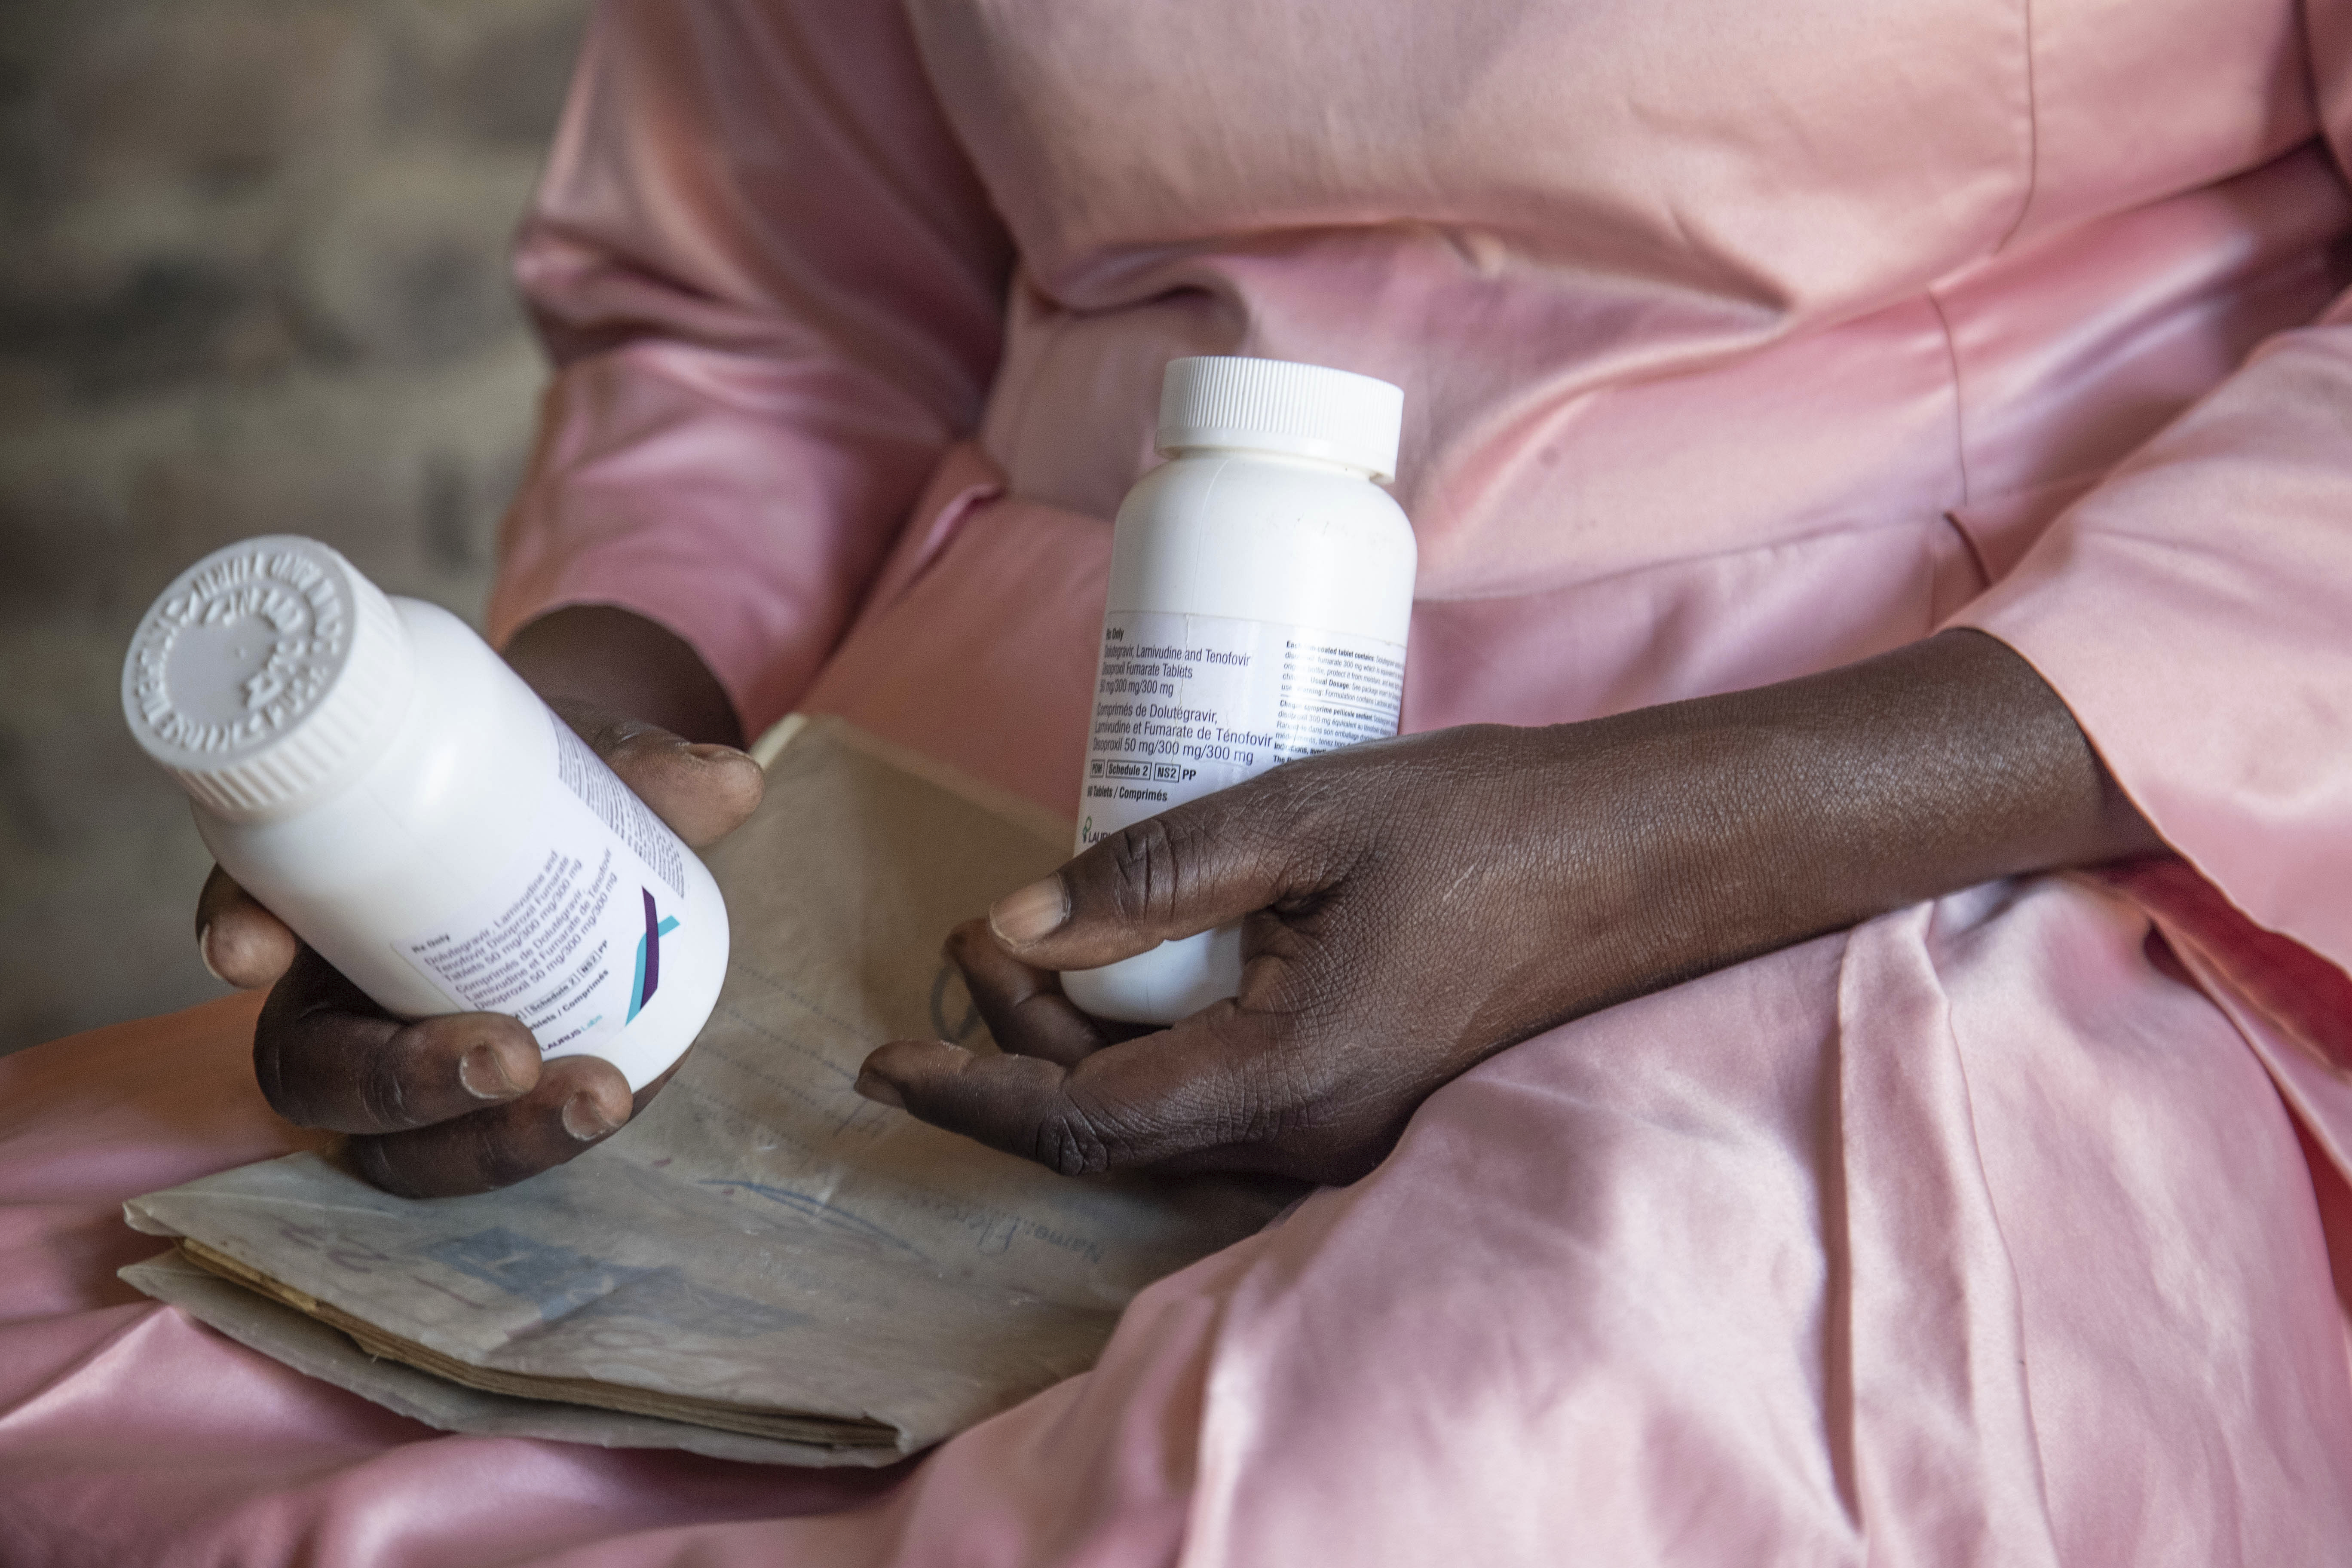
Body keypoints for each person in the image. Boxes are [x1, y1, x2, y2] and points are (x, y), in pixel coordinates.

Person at [7, 1, 2352, 1561]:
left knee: (1397, 1476)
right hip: (980, 771)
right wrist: (536, 795)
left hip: (1942, 764)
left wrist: (1667, 853)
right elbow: (767, 312)